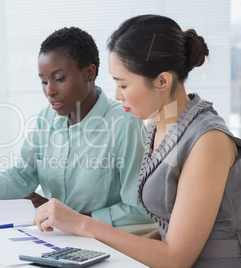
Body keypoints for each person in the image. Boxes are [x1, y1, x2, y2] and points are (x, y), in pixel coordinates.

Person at [32, 14, 241, 267]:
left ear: (163, 81)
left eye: (123, 85)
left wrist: (81, 223)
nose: (116, 96)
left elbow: (176, 258)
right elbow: (168, 232)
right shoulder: (160, 125)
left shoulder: (208, 141)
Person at [0, 26, 153, 227]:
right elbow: (22, 177)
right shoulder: (47, 118)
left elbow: (139, 209)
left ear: (89, 73)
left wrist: (72, 219)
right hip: (54, 234)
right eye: (44, 81)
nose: (50, 91)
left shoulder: (124, 124)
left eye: (59, 78)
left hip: (105, 242)